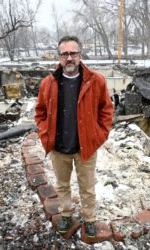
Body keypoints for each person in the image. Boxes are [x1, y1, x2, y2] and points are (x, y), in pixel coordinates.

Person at [34, 36, 113, 238]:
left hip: (85, 147)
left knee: (87, 187)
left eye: (73, 53)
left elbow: (106, 110)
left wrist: (100, 135)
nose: (69, 58)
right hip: (59, 148)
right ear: (59, 57)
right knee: (62, 185)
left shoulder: (96, 81)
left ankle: (89, 218)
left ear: (80, 55)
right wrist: (46, 134)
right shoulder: (48, 83)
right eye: (65, 54)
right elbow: (40, 112)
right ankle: (66, 214)